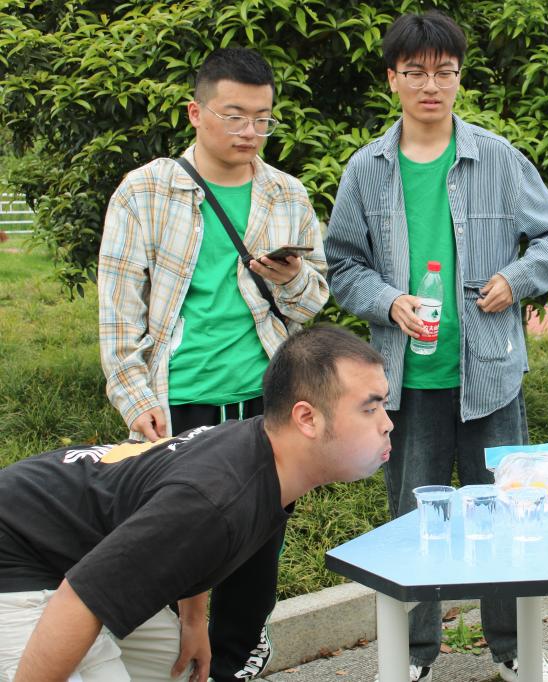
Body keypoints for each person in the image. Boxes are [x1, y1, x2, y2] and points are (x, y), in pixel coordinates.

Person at [324, 10, 548, 682]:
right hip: (406, 379)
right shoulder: (367, 169)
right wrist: (389, 300)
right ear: (392, 79)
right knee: (416, 520)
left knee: (511, 513)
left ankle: (515, 649)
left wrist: (516, 279)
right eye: (415, 72)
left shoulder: (497, 158)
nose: (430, 85)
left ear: (460, 78)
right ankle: (413, 655)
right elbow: (342, 263)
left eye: (444, 72)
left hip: (490, 374)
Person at [97, 48, 329, 679]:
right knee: (178, 548)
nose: (250, 132)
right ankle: (179, 662)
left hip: (265, 401)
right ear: (196, 113)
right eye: (234, 116)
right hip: (178, 404)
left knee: (257, 548)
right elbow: (118, 318)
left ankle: (238, 657)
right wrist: (136, 399)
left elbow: (312, 301)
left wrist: (291, 277)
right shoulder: (145, 192)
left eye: (262, 119)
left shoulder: (286, 194)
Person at [0, 325, 392, 681]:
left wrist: (193, 620)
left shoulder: (265, 457)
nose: (387, 423)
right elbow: (78, 599)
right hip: (22, 556)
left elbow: (188, 545)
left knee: (175, 666)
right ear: (306, 418)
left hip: (82, 558)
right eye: (369, 408)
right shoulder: (217, 497)